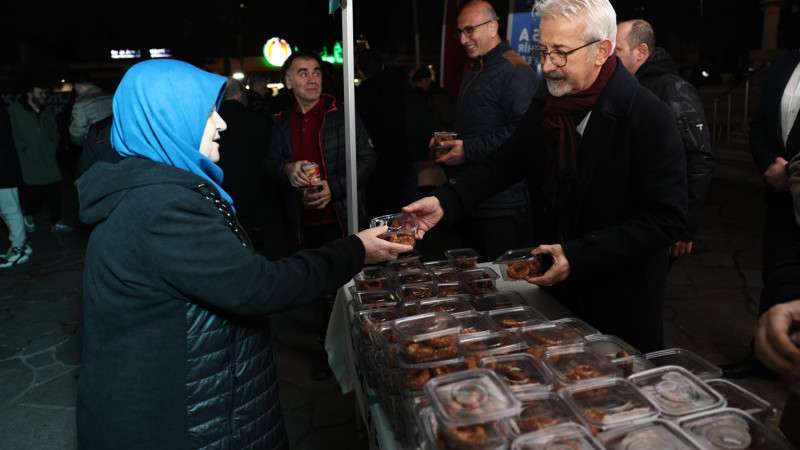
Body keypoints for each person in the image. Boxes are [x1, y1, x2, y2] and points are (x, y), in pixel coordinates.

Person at [74, 58, 411, 449]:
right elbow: (258, 286)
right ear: (167, 118)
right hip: (179, 420)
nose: (222, 124)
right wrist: (357, 249)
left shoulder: (154, 187)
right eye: (207, 113)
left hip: (196, 403)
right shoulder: (160, 205)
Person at [404, 0, 687, 353]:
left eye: (561, 53)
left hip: (619, 301)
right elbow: (505, 163)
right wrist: (446, 201)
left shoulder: (649, 117)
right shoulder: (547, 105)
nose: (547, 65)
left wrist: (579, 254)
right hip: (555, 293)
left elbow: (666, 220)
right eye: (543, 50)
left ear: (601, 51)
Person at [264, 50, 377, 380]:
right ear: (288, 81)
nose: (312, 79)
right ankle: (333, 354)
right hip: (302, 222)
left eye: (315, 72)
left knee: (350, 287)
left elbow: (368, 160)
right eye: (302, 73)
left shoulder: (342, 114)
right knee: (320, 289)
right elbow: (269, 165)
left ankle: (359, 353)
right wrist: (286, 168)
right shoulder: (281, 121)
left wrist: (335, 188)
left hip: (341, 216)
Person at [434, 0, 545, 262]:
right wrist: (451, 141)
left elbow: (522, 134)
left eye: (469, 30)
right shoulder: (476, 69)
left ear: (493, 26)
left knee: (504, 288)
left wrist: (467, 150)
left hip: (502, 206)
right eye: (459, 32)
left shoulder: (514, 70)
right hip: (474, 198)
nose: (463, 39)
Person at [723, 48, 800, 380]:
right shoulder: (785, 64)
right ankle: (765, 358)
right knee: (777, 276)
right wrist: (770, 166)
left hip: (795, 184)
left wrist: (792, 174)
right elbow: (759, 126)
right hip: (781, 198)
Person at [616, 19, 715, 261]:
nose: (609, 56)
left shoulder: (674, 89)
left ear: (641, 52)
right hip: (626, 220)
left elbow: (698, 159)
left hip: (655, 223)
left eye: (616, 50)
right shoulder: (625, 85)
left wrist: (684, 226)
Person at [217, 77, 284, 259]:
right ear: (239, 94)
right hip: (257, 193)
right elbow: (268, 153)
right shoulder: (254, 120)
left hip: (227, 196)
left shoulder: (213, 123)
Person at [356, 48, 417, 217]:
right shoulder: (401, 87)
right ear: (383, 66)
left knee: (381, 212)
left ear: (361, 72)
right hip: (401, 156)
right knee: (404, 208)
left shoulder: (360, 95)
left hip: (375, 162)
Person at [7, 80, 73, 232]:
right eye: (40, 93)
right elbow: (11, 134)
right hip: (28, 160)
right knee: (38, 190)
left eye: (44, 93)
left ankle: (56, 221)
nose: (44, 96)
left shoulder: (46, 111)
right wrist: (22, 145)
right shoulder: (15, 111)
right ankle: (28, 214)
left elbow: (53, 132)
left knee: (54, 188)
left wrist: (53, 143)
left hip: (47, 157)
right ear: (29, 94)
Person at [0, 104, 32, 267]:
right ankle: (21, 244)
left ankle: (19, 248)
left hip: (4, 170)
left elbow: (3, 138)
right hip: (5, 170)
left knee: (10, 209)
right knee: (6, 209)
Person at [68, 71, 113, 148]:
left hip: (96, 148)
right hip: (116, 146)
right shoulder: (112, 97)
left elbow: (77, 134)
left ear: (77, 86)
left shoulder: (81, 104)